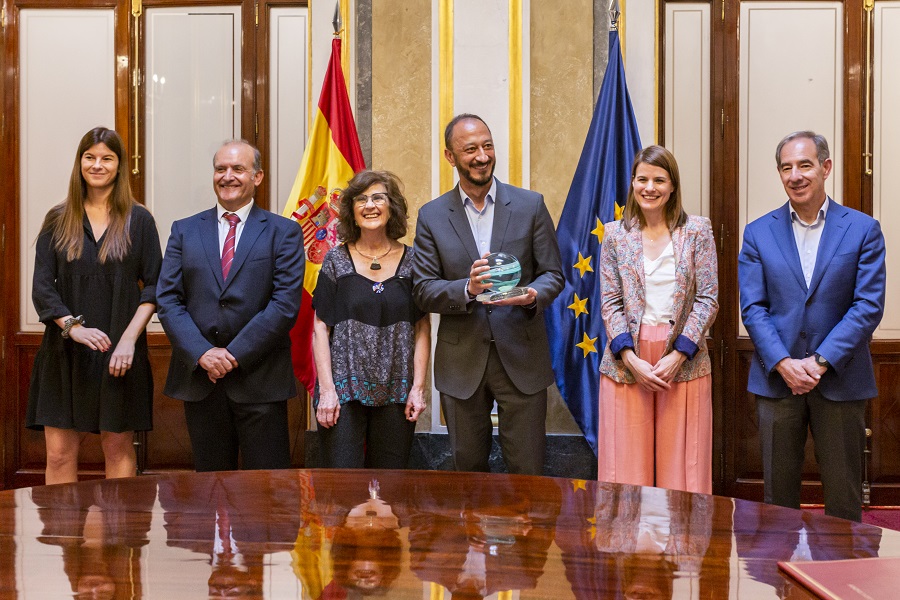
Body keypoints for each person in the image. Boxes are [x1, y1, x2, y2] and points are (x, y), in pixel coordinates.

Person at [738, 131, 886, 522]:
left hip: (840, 380)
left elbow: (868, 306)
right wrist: (784, 363)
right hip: (776, 382)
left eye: (804, 165)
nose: (795, 175)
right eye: (786, 167)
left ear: (826, 167)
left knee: (843, 499)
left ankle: (844, 579)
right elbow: (753, 308)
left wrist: (819, 362)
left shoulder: (862, 229)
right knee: (777, 500)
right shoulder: (757, 233)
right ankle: (778, 582)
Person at [412, 113, 564, 475]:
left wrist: (529, 295)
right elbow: (422, 289)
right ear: (450, 157)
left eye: (487, 146)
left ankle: (529, 536)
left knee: (528, 473)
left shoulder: (530, 206)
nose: (482, 156)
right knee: (467, 474)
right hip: (461, 364)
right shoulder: (432, 216)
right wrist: (468, 288)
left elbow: (553, 275)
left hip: (522, 358)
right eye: (470, 149)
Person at [156, 140, 305, 472]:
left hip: (260, 380)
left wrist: (233, 355)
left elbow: (283, 304)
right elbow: (167, 299)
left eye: (238, 169)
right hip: (201, 381)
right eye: (220, 169)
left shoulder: (284, 233)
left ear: (258, 176)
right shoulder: (184, 230)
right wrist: (203, 353)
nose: (228, 176)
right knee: (209, 492)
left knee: (266, 495)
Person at [27, 126, 162, 484]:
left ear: (120, 167)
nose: (97, 165)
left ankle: (117, 541)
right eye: (90, 157)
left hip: (120, 354)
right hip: (64, 352)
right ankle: (64, 539)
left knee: (117, 450)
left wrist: (129, 341)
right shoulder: (58, 219)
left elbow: (155, 286)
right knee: (58, 454)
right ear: (80, 163)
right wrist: (75, 328)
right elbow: (42, 288)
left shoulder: (140, 220)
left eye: (107, 158)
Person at [598, 145, 718, 494]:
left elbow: (708, 298)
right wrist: (630, 357)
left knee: (683, 467)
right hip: (627, 361)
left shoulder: (697, 231)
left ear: (672, 186)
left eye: (659, 180)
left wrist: (679, 354)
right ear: (633, 183)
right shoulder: (615, 235)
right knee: (626, 470)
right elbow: (609, 301)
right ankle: (630, 548)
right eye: (642, 179)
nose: (649, 187)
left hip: (684, 359)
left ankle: (682, 547)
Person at [312, 170, 431, 468]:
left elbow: (422, 327)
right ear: (351, 210)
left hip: (397, 393)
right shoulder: (336, 260)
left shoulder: (414, 261)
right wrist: (327, 391)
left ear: (392, 207)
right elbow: (319, 326)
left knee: (389, 490)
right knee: (343, 490)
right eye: (361, 199)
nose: (370, 205)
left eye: (378, 198)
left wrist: (418, 387)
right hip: (342, 393)